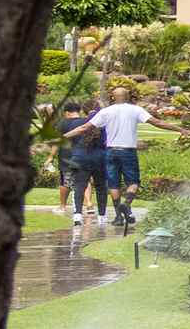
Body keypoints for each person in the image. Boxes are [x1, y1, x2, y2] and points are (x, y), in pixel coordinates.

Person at [65, 84, 153, 228]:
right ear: (128, 96)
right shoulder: (133, 111)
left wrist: (61, 138)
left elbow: (82, 130)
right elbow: (156, 122)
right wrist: (180, 129)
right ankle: (116, 210)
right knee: (123, 184)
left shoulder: (103, 114)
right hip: (117, 153)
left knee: (107, 184)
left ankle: (112, 216)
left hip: (99, 154)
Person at [49, 92, 100, 235]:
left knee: (66, 181)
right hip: (84, 155)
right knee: (84, 180)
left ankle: (62, 206)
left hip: (67, 157)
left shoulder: (62, 123)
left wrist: (50, 157)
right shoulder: (85, 121)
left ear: (66, 112)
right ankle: (89, 204)